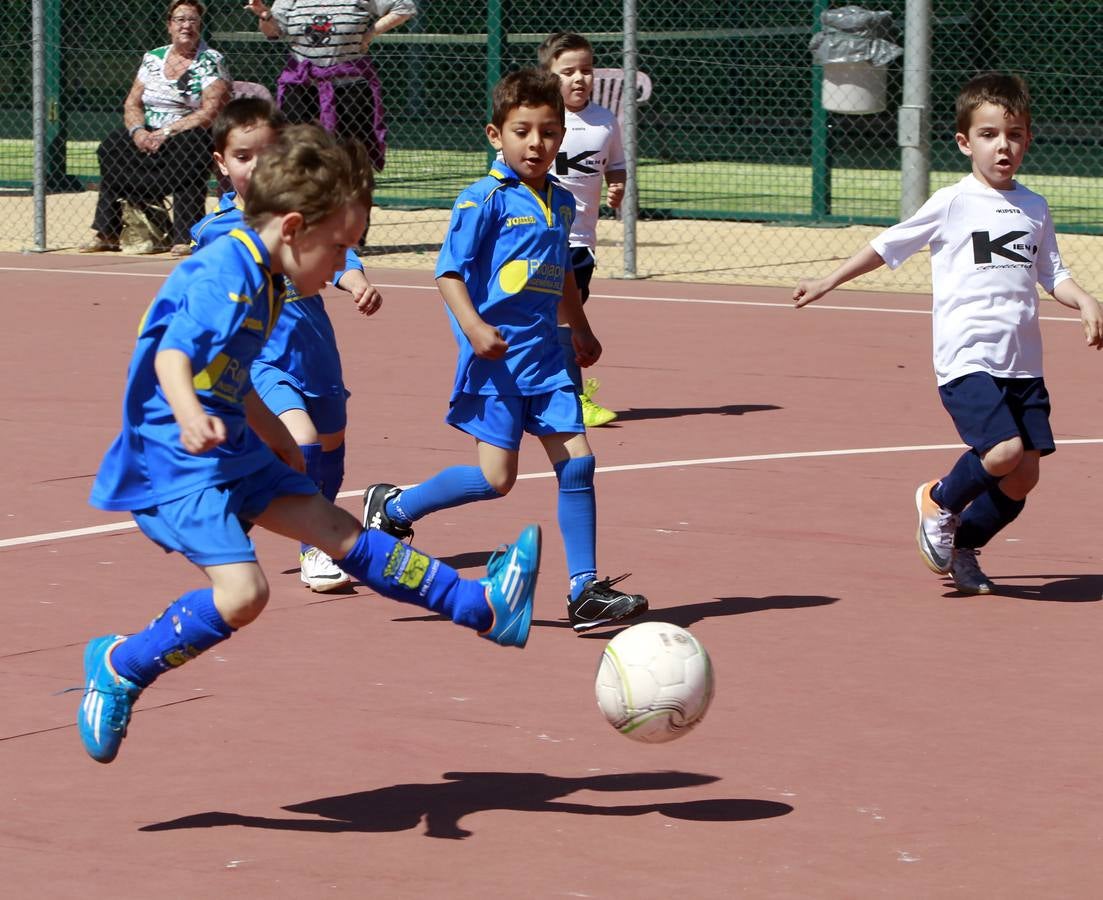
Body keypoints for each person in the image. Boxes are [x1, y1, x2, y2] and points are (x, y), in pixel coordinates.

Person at [78, 124, 541, 765]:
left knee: (338, 531)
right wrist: (189, 414)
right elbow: (174, 357)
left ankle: (481, 606)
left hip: (230, 442)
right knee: (245, 595)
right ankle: (121, 665)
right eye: (341, 248)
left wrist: (273, 440)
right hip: (174, 460)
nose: (343, 264)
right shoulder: (227, 275)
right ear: (294, 228)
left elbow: (232, 379)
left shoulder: (269, 279)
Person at [793, 72, 1103, 595]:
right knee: (1001, 453)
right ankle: (938, 500)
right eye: (989, 134)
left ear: (1028, 138)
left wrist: (1086, 300)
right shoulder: (953, 201)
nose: (1003, 145)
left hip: (1023, 364)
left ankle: (964, 546)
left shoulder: (1035, 207)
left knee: (1023, 476)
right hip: (967, 359)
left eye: (1016, 134)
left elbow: (1052, 274)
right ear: (964, 142)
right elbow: (889, 245)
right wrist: (828, 279)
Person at [361, 69, 647, 633]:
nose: (535, 143)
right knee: (496, 480)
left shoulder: (560, 203)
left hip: (547, 357)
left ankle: (584, 591)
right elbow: (447, 274)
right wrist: (472, 328)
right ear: (497, 135)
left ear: (562, 135)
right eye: (522, 131)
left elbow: (561, 271)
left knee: (580, 463)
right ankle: (393, 508)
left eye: (547, 131)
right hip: (496, 363)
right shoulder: (483, 200)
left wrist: (581, 327)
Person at [190, 97, 383, 593]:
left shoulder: (303, 215)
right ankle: (315, 547)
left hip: (315, 352)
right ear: (221, 162)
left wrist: (354, 278)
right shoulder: (216, 233)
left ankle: (260, 512)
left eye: (266, 154)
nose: (254, 167)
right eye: (242, 156)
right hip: (263, 361)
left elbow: (337, 252)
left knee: (332, 444)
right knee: (303, 441)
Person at [244, 0, 416, 242]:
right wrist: (264, 15)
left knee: (352, 158)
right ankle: (304, 224)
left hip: (351, 84)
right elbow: (274, 32)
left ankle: (354, 233)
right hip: (302, 86)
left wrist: (371, 32)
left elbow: (404, 8)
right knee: (298, 156)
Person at [79, 0, 230, 258]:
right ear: (169, 25)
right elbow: (132, 102)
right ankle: (108, 232)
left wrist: (167, 132)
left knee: (190, 152)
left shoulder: (210, 59)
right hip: (150, 129)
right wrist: (138, 131)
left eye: (192, 20)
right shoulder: (153, 58)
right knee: (112, 147)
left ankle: (185, 236)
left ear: (200, 25)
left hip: (189, 130)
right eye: (180, 19)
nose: (186, 25)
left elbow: (211, 110)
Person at [537, 31, 627, 428]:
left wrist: (617, 184)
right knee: (561, 318)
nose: (579, 79)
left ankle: (551, 390)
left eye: (586, 70)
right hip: (541, 236)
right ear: (549, 76)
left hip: (581, 240)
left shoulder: (605, 121)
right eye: (568, 71)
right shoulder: (539, 120)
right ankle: (571, 399)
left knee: (564, 316)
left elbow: (617, 162)